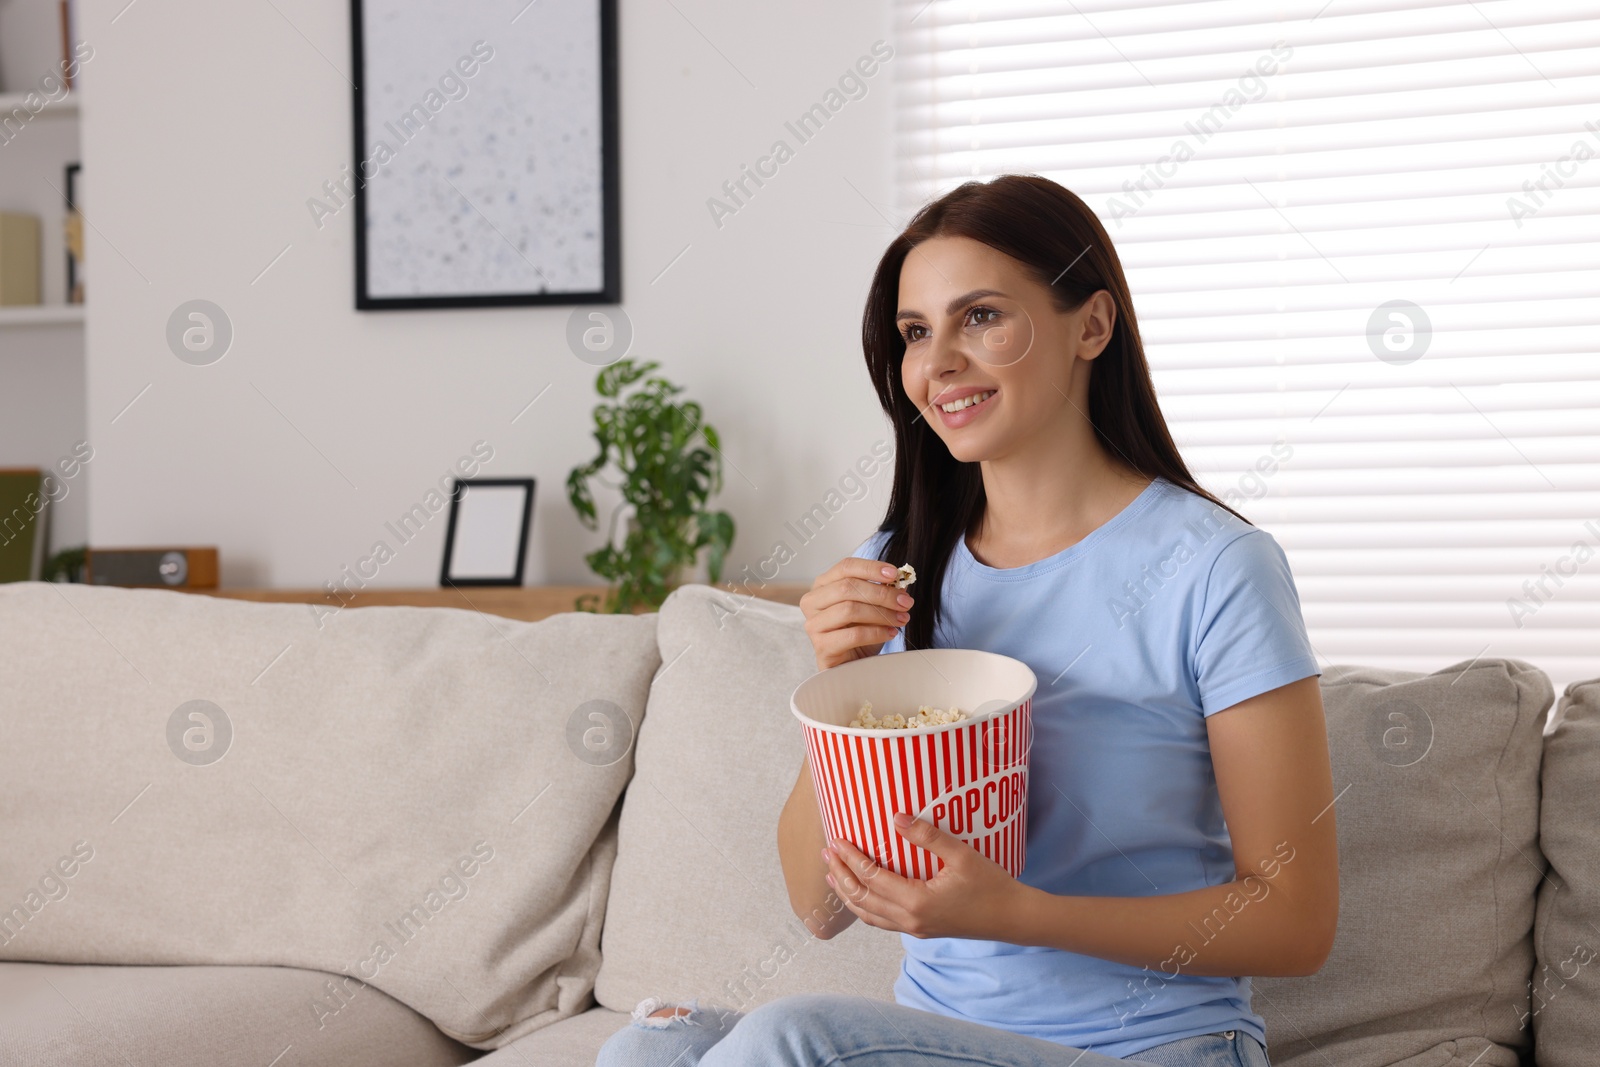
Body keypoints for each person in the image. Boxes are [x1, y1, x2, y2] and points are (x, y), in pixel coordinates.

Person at [594, 174, 1338, 1066]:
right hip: (946, 1042)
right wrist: (836, 684)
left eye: (979, 316)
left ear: (1091, 327)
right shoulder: (901, 564)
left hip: (1153, 1048)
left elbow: (1297, 921)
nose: (937, 362)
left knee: (793, 1041)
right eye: (916, 332)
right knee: (649, 1046)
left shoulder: (1216, 568)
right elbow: (820, 908)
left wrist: (1014, 913)